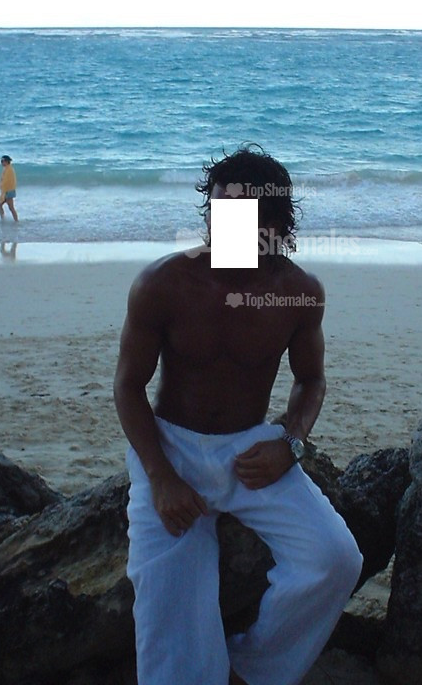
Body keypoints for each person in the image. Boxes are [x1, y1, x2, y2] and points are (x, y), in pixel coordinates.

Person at [114, 146, 363, 685]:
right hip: (171, 450)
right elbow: (128, 387)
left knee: (335, 558)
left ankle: (253, 669)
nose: (220, 225)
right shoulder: (163, 285)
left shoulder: (298, 293)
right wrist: (160, 476)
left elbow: (311, 380)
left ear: (273, 225)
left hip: (252, 453)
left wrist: (290, 444)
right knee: (169, 620)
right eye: (216, 211)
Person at [0, 155, 19, 222]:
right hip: (6, 191)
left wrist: (2, 187)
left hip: (8, 191)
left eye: (2, 161)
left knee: (11, 208)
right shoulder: (7, 168)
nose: (1, 163)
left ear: (6, 161)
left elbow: (7, 181)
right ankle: (3, 219)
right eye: (1, 161)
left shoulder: (9, 169)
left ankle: (16, 221)